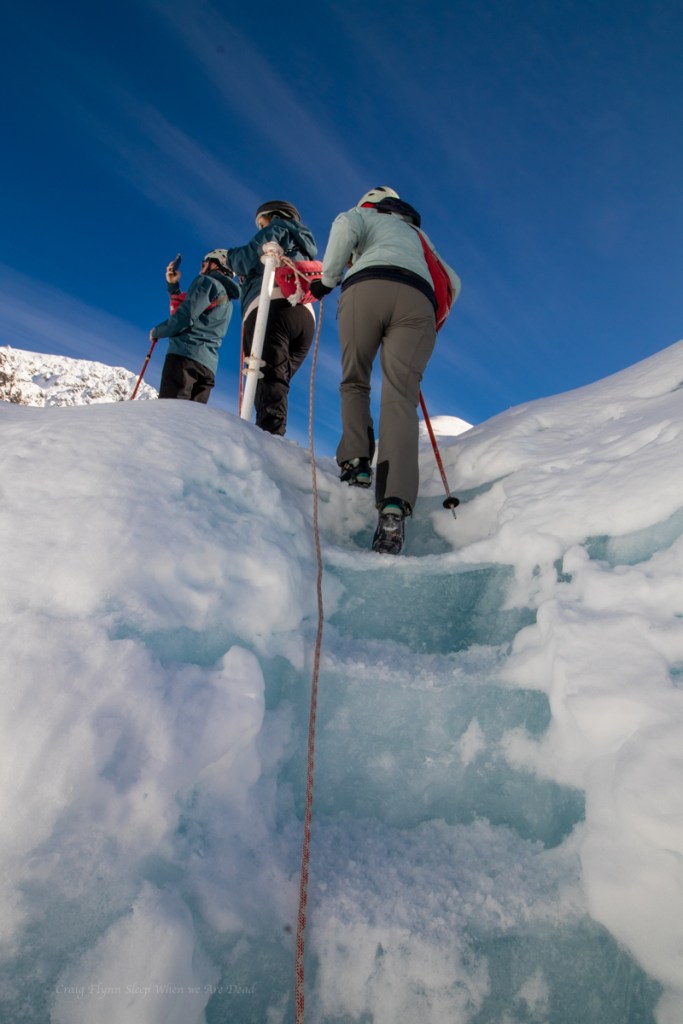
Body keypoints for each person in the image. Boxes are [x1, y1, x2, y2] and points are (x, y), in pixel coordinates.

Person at [309, 186, 461, 555]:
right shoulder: (419, 235)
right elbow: (453, 282)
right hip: (418, 302)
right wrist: (428, 322)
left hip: (367, 287)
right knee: (401, 396)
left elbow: (344, 226)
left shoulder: (364, 214)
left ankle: (357, 462)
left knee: (355, 377)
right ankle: (394, 503)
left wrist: (327, 279)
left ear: (370, 203)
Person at [226, 201, 317, 435]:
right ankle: (272, 435)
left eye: (261, 222)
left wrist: (231, 257)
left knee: (267, 380)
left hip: (271, 304)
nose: (260, 227)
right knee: (276, 381)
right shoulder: (303, 242)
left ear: (274, 216)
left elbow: (245, 259)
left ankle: (269, 441)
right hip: (303, 315)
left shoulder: (277, 228)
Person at [151, 250, 239, 404]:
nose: (201, 267)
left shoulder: (206, 282)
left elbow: (184, 317)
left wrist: (158, 331)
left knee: (170, 412)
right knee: (189, 417)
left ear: (216, 264)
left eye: (204, 263)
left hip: (184, 358)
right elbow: (191, 309)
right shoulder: (228, 303)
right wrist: (173, 286)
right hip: (207, 368)